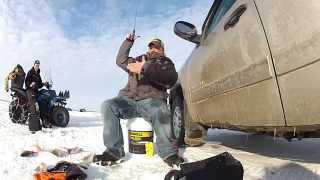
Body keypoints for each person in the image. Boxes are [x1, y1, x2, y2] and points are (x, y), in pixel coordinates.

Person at [96, 34, 184, 167]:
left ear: (162, 49)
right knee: (108, 105)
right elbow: (120, 60)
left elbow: (171, 78)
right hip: (129, 101)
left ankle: (168, 153)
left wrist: (144, 68)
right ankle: (114, 151)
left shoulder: (164, 62)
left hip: (152, 101)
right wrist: (128, 42)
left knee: (161, 110)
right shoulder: (137, 59)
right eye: (151, 46)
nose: (153, 49)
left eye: (157, 46)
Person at [25, 60, 49, 132]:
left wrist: (44, 84)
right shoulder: (30, 72)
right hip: (30, 90)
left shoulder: (38, 74)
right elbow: (26, 82)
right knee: (33, 104)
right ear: (34, 65)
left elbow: (40, 84)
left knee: (42, 102)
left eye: (38, 65)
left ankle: (44, 121)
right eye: (36, 65)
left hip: (36, 91)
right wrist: (30, 84)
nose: (37, 66)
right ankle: (33, 126)